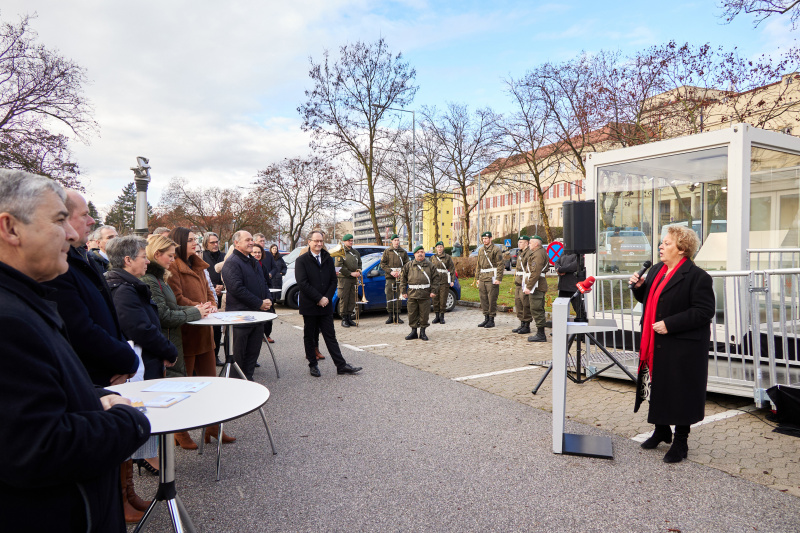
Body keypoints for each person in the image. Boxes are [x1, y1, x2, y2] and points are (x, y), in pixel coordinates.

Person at [0, 169, 150, 532]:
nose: (70, 233)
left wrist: (93, 396)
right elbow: (40, 447)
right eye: (58, 220)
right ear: (10, 228)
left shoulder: (25, 300)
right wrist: (129, 420)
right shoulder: (9, 320)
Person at [629, 226, 714, 463]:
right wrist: (639, 288)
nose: (661, 246)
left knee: (680, 390)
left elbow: (704, 311)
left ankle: (681, 441)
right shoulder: (657, 270)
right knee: (658, 385)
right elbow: (651, 299)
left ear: (682, 249)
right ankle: (661, 430)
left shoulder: (698, 277)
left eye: (666, 243)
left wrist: (670, 324)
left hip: (682, 345)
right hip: (655, 341)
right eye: (662, 242)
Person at [105, 236, 179, 494]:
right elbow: (140, 329)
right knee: (139, 414)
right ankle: (126, 495)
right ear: (127, 260)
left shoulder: (127, 285)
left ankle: (130, 492)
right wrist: (168, 350)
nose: (147, 261)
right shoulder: (123, 290)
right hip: (139, 365)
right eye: (142, 257)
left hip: (146, 359)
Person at [43, 191, 139, 387]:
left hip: (108, 375)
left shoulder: (84, 259)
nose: (92, 221)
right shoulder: (59, 266)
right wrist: (127, 360)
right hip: (90, 380)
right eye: (84, 214)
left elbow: (109, 317)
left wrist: (125, 359)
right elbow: (80, 330)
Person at [143, 234, 210, 450]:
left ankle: (192, 431)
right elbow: (164, 314)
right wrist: (195, 311)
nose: (172, 259)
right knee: (174, 390)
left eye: (174, 256)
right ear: (157, 254)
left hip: (177, 336)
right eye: (170, 256)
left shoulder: (159, 277)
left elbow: (173, 306)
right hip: (170, 339)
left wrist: (199, 308)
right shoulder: (152, 280)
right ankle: (177, 434)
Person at [167, 227, 233, 444]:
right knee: (185, 387)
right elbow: (177, 298)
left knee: (210, 384)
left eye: (195, 239)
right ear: (178, 242)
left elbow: (209, 292)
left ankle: (213, 427)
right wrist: (200, 307)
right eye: (190, 240)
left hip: (205, 333)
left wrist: (212, 305)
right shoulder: (173, 266)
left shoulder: (198, 264)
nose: (195, 243)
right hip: (186, 334)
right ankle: (180, 432)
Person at [295, 230, 362, 377]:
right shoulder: (301, 260)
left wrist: (326, 298)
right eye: (316, 241)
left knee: (330, 335)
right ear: (309, 242)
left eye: (321, 241)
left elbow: (333, 280)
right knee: (309, 336)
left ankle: (341, 366)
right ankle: (313, 365)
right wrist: (318, 298)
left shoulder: (327, 258)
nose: (319, 244)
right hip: (310, 305)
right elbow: (302, 283)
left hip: (325, 305)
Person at [222, 231, 273, 381]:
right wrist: (259, 303)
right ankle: (237, 387)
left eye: (252, 240)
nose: (251, 242)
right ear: (236, 243)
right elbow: (236, 289)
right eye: (247, 240)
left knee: (252, 355)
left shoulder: (253, 261)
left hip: (256, 318)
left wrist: (268, 300)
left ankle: (248, 381)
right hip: (240, 319)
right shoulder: (232, 263)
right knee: (238, 358)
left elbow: (263, 283)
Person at [400, 245, 440, 341]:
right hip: (412, 293)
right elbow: (403, 279)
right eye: (418, 252)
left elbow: (436, 279)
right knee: (412, 313)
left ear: (424, 254)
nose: (420, 254)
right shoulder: (408, 265)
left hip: (425, 293)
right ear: (414, 254)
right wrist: (403, 291)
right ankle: (413, 332)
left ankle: (423, 332)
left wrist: (434, 291)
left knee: (424, 314)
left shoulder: (430, 265)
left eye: (422, 252)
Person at [202, 231, 225, 365]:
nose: (215, 244)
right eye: (212, 242)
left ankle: (215, 356)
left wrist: (222, 286)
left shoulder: (224, 256)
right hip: (207, 296)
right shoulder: (202, 257)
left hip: (223, 294)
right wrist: (213, 288)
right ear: (206, 244)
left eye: (217, 242)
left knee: (218, 328)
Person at [476, 231, 503, 328]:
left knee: (491, 299)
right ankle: (486, 318)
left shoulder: (496, 249)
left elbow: (500, 265)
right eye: (483, 239)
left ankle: (491, 319)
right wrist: (477, 278)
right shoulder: (481, 250)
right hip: (482, 277)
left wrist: (498, 278)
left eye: (486, 238)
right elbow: (478, 265)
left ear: (491, 239)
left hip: (492, 277)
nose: (484, 240)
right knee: (483, 298)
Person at [379, 234, 409, 324]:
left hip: (400, 277)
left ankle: (397, 316)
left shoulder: (403, 252)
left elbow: (407, 264)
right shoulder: (387, 251)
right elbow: (382, 264)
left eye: (398, 240)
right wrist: (390, 271)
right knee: (389, 296)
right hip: (390, 277)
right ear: (391, 241)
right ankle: (390, 316)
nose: (396, 242)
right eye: (395, 240)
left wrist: (401, 272)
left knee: (399, 296)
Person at [335, 234, 362, 328]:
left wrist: (358, 271)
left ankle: (349, 317)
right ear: (344, 242)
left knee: (352, 298)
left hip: (353, 279)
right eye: (349, 241)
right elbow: (338, 266)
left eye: (351, 240)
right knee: (344, 298)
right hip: (344, 278)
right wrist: (350, 273)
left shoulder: (355, 252)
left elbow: (359, 263)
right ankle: (344, 319)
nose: (351, 242)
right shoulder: (340, 252)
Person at [251, 242, 276, 344]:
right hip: (255, 298)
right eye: (255, 252)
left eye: (259, 252)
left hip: (265, 296)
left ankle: (267, 335)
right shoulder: (249, 266)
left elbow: (268, 283)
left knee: (270, 314)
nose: (257, 254)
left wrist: (269, 298)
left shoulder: (263, 267)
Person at [526, 235, 549, 342]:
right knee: (536, 308)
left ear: (536, 244)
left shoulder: (538, 254)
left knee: (537, 308)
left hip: (537, 285)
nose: (529, 244)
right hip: (537, 284)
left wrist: (529, 286)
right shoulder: (538, 252)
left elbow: (535, 272)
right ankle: (540, 333)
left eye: (530, 243)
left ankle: (541, 334)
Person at [430, 241, 455, 325]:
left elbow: (452, 269)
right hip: (435, 281)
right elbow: (430, 270)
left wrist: (452, 280)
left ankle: (442, 317)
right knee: (435, 299)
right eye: (438, 247)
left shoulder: (447, 257)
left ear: (443, 248)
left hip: (444, 281)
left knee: (443, 299)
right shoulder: (433, 257)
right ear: (436, 248)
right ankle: (436, 316)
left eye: (441, 247)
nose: (439, 248)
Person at [512, 236, 532, 334]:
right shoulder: (520, 253)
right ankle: (522, 323)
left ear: (526, 243)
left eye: (521, 242)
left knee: (525, 303)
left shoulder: (529, 253)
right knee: (518, 302)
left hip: (524, 281)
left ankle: (527, 324)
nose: (519, 244)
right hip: (518, 281)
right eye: (519, 242)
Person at [554, 250, 582, 315]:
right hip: (563, 286)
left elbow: (575, 265)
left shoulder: (579, 252)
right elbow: (557, 262)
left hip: (573, 286)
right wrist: (558, 269)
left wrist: (561, 270)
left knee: (578, 310)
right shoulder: (565, 251)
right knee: (561, 310)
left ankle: (580, 320)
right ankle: (561, 321)